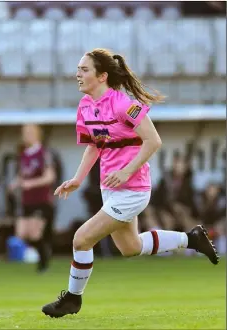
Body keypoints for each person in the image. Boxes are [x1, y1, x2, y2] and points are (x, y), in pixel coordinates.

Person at [41, 48, 219, 318]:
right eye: (78, 69)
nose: (77, 74)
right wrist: (78, 178)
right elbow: (93, 146)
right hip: (109, 187)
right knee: (130, 248)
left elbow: (153, 141)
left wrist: (126, 171)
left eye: (84, 69)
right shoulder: (85, 106)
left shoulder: (124, 104)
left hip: (132, 189)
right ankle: (191, 239)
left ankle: (73, 299)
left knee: (81, 239)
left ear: (102, 76)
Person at [9, 124, 56, 273]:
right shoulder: (23, 155)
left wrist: (31, 184)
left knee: (36, 233)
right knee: (21, 233)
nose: (26, 136)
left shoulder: (43, 153)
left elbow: (50, 177)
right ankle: (40, 254)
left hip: (41, 200)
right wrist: (15, 183)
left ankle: (43, 263)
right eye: (24, 133)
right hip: (26, 201)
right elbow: (23, 175)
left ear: (37, 134)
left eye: (29, 132)